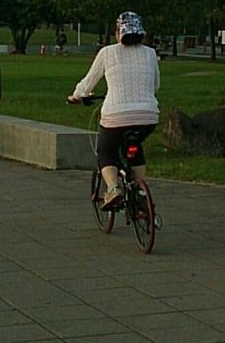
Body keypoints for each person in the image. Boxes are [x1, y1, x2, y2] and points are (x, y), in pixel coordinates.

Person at [68, 11, 159, 210]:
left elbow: (88, 83)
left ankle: (112, 188)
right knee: (136, 146)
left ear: (119, 32)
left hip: (115, 115)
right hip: (148, 115)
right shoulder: (150, 53)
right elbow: (155, 86)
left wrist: (76, 96)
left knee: (106, 152)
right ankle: (141, 192)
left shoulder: (107, 52)